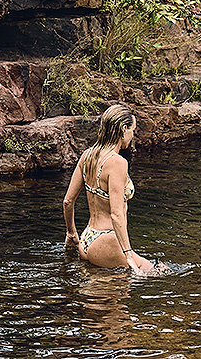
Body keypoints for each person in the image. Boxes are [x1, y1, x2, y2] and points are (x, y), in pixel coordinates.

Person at [62, 103, 155, 274]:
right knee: (155, 273)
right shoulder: (118, 163)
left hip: (87, 239)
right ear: (123, 129)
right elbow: (116, 214)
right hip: (107, 241)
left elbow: (68, 201)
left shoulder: (87, 155)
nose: (132, 135)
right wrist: (128, 254)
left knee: (104, 296)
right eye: (132, 130)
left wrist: (71, 234)